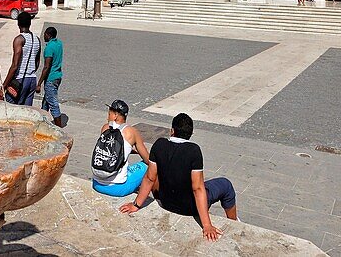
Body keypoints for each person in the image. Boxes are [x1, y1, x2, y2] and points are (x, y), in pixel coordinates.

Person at [120, 112, 236, 242]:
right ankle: (234, 222)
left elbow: (149, 178)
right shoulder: (193, 151)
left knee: (160, 172)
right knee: (225, 185)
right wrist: (207, 225)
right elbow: (197, 189)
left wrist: (136, 205)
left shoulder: (159, 145)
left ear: (172, 131)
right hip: (189, 208)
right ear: (190, 134)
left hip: (166, 202)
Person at [92, 99, 151, 196]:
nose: (108, 116)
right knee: (150, 166)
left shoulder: (105, 128)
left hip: (97, 184)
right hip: (118, 188)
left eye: (109, 113)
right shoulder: (131, 132)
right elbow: (148, 159)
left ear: (115, 115)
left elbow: (111, 149)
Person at [1, 11, 40, 105]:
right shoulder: (37, 39)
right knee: (26, 112)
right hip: (32, 80)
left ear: (18, 24)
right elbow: (37, 62)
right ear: (30, 23)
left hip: (20, 80)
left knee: (9, 108)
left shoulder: (19, 39)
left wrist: (4, 86)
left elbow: (15, 65)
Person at [37, 26, 64, 126]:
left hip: (50, 78)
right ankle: (42, 122)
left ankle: (59, 128)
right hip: (58, 76)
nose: (43, 36)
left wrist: (39, 83)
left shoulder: (49, 48)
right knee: (46, 101)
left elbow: (46, 67)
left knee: (53, 103)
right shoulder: (59, 43)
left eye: (45, 34)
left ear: (48, 35)